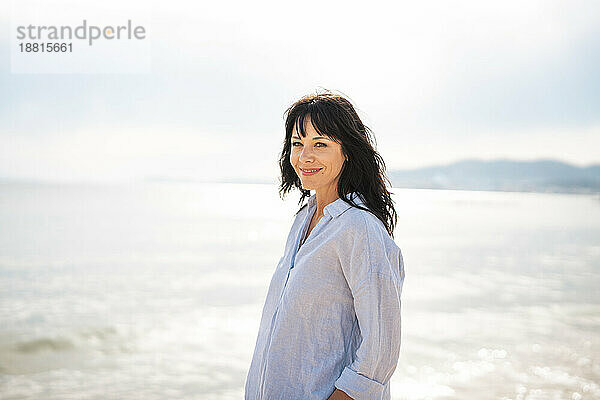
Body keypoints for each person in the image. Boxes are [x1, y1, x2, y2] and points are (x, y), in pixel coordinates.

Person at [244, 90, 406, 400]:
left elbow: (381, 349)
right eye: (297, 144)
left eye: (320, 144)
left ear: (347, 151)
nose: (304, 157)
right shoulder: (304, 219)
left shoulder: (360, 229)